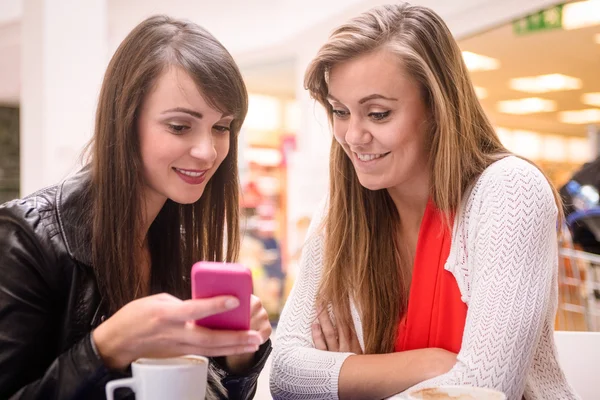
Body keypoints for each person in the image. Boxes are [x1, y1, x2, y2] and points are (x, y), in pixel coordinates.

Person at [270, 3, 578, 399]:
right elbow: (287, 373)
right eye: (340, 111)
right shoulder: (341, 210)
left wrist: (350, 377)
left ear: (436, 107)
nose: (352, 135)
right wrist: (431, 363)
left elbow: (481, 390)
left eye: (378, 114)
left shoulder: (509, 190)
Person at [0, 15, 272, 400]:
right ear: (125, 121)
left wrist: (237, 359)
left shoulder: (176, 240)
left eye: (221, 127)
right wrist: (104, 348)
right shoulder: (27, 238)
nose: (208, 151)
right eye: (180, 127)